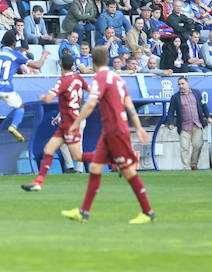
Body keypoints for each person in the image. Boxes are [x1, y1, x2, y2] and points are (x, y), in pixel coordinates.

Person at [61, 46, 155, 225]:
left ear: (93, 62)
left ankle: (148, 212)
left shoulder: (100, 78)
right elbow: (128, 103)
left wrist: (75, 123)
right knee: (95, 168)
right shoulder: (117, 78)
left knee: (128, 172)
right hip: (111, 131)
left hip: (115, 131)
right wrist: (138, 127)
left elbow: (89, 104)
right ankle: (83, 212)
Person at [22, 52, 89, 191]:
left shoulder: (63, 81)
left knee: (77, 155)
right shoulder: (78, 78)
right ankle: (38, 183)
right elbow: (90, 90)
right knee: (49, 149)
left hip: (71, 122)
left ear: (60, 65)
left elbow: (48, 99)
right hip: (68, 120)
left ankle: (112, 158)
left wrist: (41, 96)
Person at [166, 77, 212, 170]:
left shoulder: (196, 93)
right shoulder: (175, 97)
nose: (181, 86)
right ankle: (186, 167)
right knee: (184, 148)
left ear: (188, 84)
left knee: (198, 145)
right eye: (179, 84)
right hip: (184, 127)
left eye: (182, 84)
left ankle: (194, 164)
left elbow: (203, 106)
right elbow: (170, 112)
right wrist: (170, 123)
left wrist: (208, 117)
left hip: (197, 125)